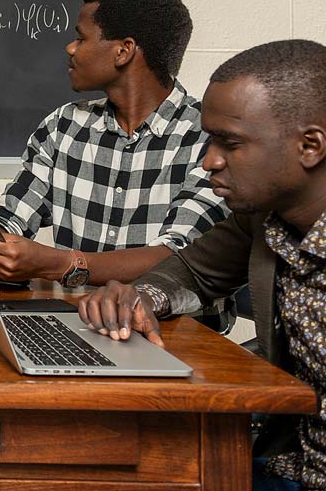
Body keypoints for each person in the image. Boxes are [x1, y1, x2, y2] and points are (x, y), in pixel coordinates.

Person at [78, 40, 326, 491]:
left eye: (229, 143)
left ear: (310, 146)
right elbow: (192, 271)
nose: (210, 161)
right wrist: (140, 296)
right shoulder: (262, 218)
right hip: (282, 459)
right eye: (210, 139)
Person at [0, 0, 228, 290]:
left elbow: (180, 259)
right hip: (76, 319)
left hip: (176, 330)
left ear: (124, 51)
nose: (70, 48)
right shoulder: (63, 126)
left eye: (80, 38)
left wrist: (62, 264)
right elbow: (9, 218)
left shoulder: (210, 139)